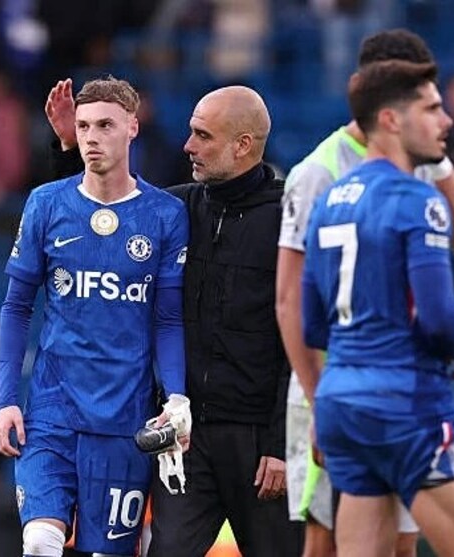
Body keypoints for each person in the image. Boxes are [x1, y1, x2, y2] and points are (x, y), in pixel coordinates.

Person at [45, 81, 303, 556]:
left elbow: (302, 338)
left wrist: (284, 442)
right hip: (184, 438)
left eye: (203, 135)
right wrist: (70, 152)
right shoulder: (173, 208)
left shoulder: (292, 219)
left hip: (258, 443)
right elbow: (97, 221)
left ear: (242, 145)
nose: (188, 146)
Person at [276, 29, 454, 557]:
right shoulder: (331, 175)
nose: (446, 120)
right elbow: (289, 301)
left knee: (389, 547)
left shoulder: (338, 197)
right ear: (391, 113)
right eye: (431, 107)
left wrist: (435, 160)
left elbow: (314, 320)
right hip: (401, 397)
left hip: (344, 393)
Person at [0, 76, 190, 557]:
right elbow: (16, 306)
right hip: (52, 411)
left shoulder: (165, 215)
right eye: (83, 126)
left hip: (124, 419)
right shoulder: (46, 203)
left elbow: (167, 319)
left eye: (105, 125)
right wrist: (6, 400)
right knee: (40, 541)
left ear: (132, 128)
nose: (92, 137)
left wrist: (177, 396)